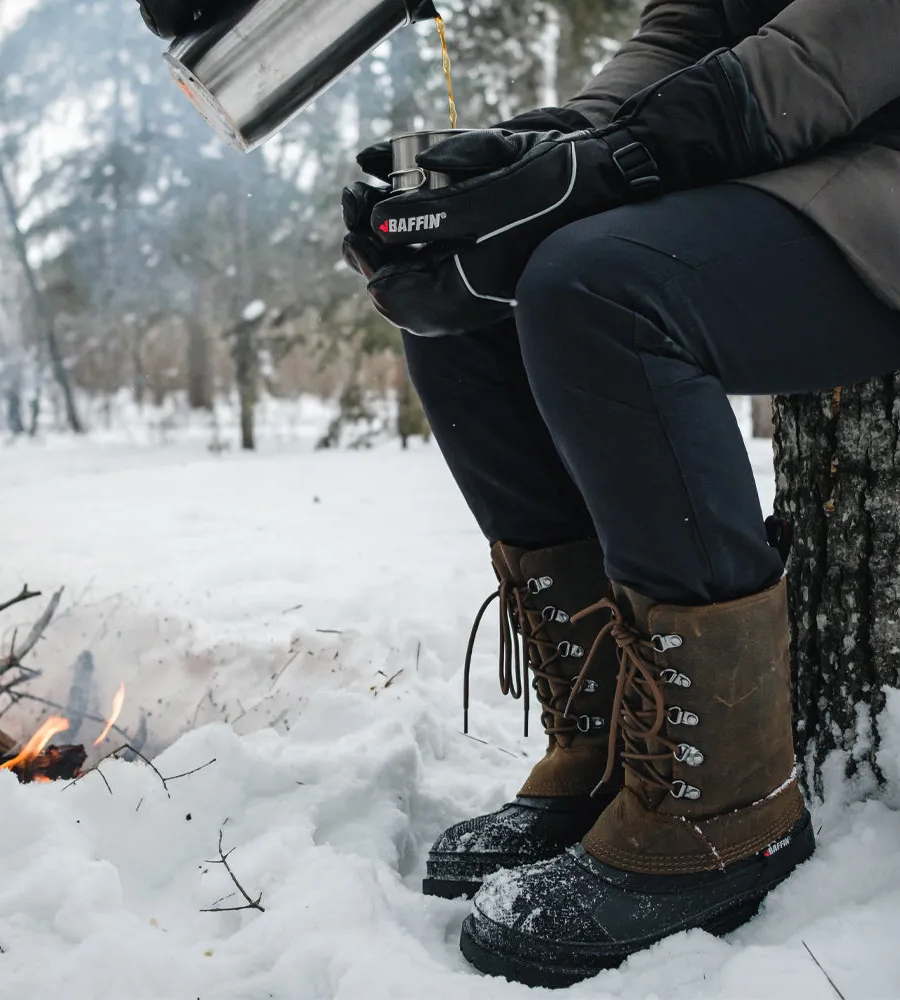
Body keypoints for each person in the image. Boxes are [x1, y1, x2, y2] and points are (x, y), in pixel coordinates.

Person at [140, 0, 900, 987]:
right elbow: (688, 29)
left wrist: (620, 156)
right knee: (467, 287)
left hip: (869, 160)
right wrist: (542, 147)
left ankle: (728, 804)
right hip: (794, 155)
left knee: (598, 286)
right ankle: (615, 732)